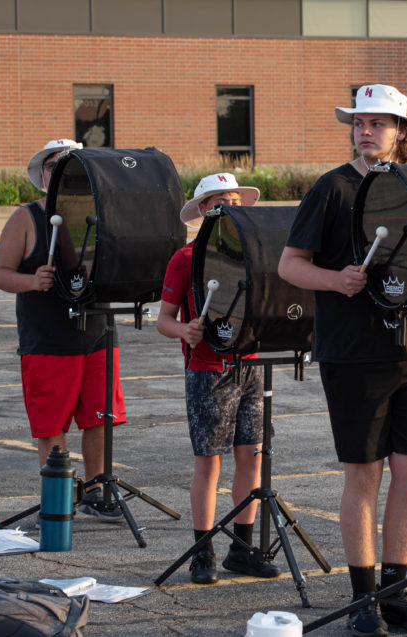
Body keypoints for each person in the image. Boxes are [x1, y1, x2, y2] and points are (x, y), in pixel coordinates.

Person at [278, 85, 407, 637]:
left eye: (378, 123)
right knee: (365, 472)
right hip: (353, 350)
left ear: (402, 132)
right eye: (359, 122)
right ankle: (362, 599)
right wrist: (335, 280)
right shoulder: (332, 187)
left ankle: (395, 592)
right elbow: (289, 265)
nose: (366, 131)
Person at [156, 173, 281, 585]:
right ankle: (202, 551)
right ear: (202, 211)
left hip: (250, 366)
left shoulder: (252, 253)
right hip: (207, 370)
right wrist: (185, 330)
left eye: (234, 201)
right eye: (218, 202)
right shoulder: (185, 258)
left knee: (252, 457)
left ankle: (242, 549)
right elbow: (163, 320)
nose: (228, 207)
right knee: (209, 464)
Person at [0, 138, 126, 522]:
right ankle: (59, 495)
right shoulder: (26, 218)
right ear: (43, 175)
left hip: (97, 333)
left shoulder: (102, 214)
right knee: (52, 425)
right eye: (54, 165)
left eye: (71, 163)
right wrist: (32, 281)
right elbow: (1, 275)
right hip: (48, 340)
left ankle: (96, 490)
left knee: (99, 418)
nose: (63, 170)